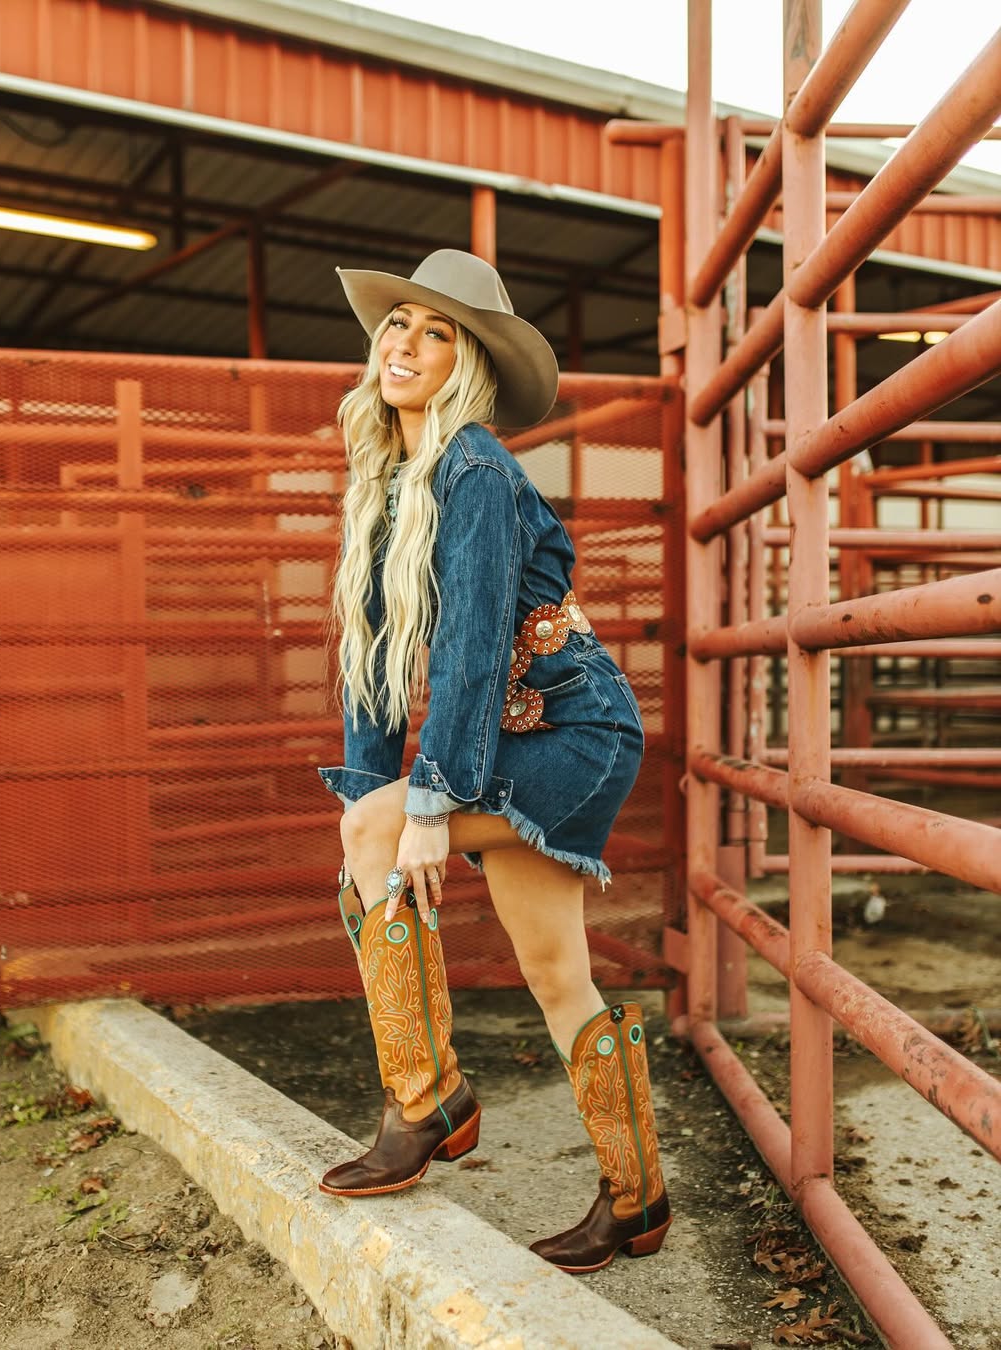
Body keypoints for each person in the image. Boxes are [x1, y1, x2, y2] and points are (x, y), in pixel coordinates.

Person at [316, 248, 669, 1274]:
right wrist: (366, 795)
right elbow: (375, 669)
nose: (404, 343)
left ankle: (427, 1105)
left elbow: (470, 649)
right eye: (396, 325)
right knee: (558, 973)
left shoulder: (472, 468)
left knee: (382, 829)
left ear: (465, 363)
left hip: (572, 732)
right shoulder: (388, 484)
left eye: (434, 332)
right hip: (516, 735)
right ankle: (636, 1202)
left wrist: (417, 806)